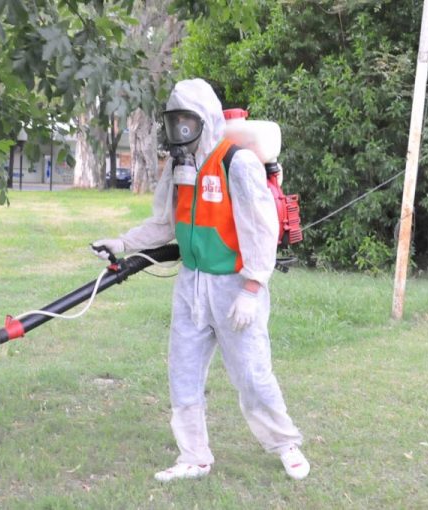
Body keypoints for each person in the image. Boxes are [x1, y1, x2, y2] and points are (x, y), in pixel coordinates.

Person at [91, 79, 309, 482]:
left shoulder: (237, 163)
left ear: (205, 119)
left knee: (252, 373)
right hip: (191, 285)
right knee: (183, 371)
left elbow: (261, 232)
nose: (180, 131)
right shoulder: (179, 166)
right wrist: (122, 242)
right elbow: (163, 223)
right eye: (174, 122)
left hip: (234, 287)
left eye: (187, 121)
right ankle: (194, 455)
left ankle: (285, 444)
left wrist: (252, 287)